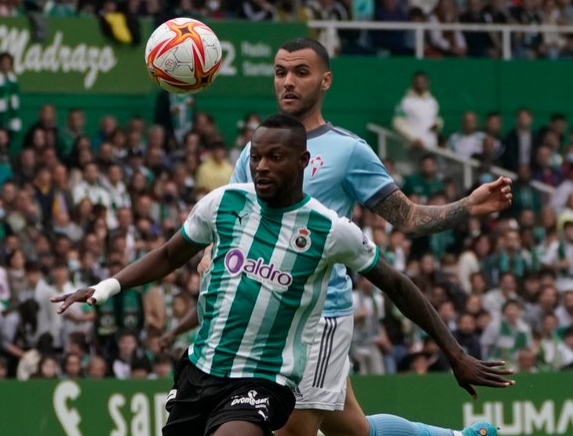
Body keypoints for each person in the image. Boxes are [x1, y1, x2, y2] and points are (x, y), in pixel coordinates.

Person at [53, 115, 514, 436]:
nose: (262, 167)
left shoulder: (331, 231)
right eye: (256, 157)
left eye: (275, 158)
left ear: (302, 161)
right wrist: (106, 286)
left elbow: (396, 283)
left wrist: (454, 353)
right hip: (200, 371)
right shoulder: (224, 204)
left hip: (265, 378)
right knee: (352, 429)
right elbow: (171, 254)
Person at [167, 39, 514, 436]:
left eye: (301, 72)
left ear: (325, 80)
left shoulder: (348, 151)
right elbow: (229, 225)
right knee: (352, 429)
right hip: (266, 323)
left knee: (287, 432)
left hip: (320, 318)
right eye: (280, 73)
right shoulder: (256, 151)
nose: (288, 82)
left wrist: (467, 205)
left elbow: (409, 218)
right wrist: (209, 253)